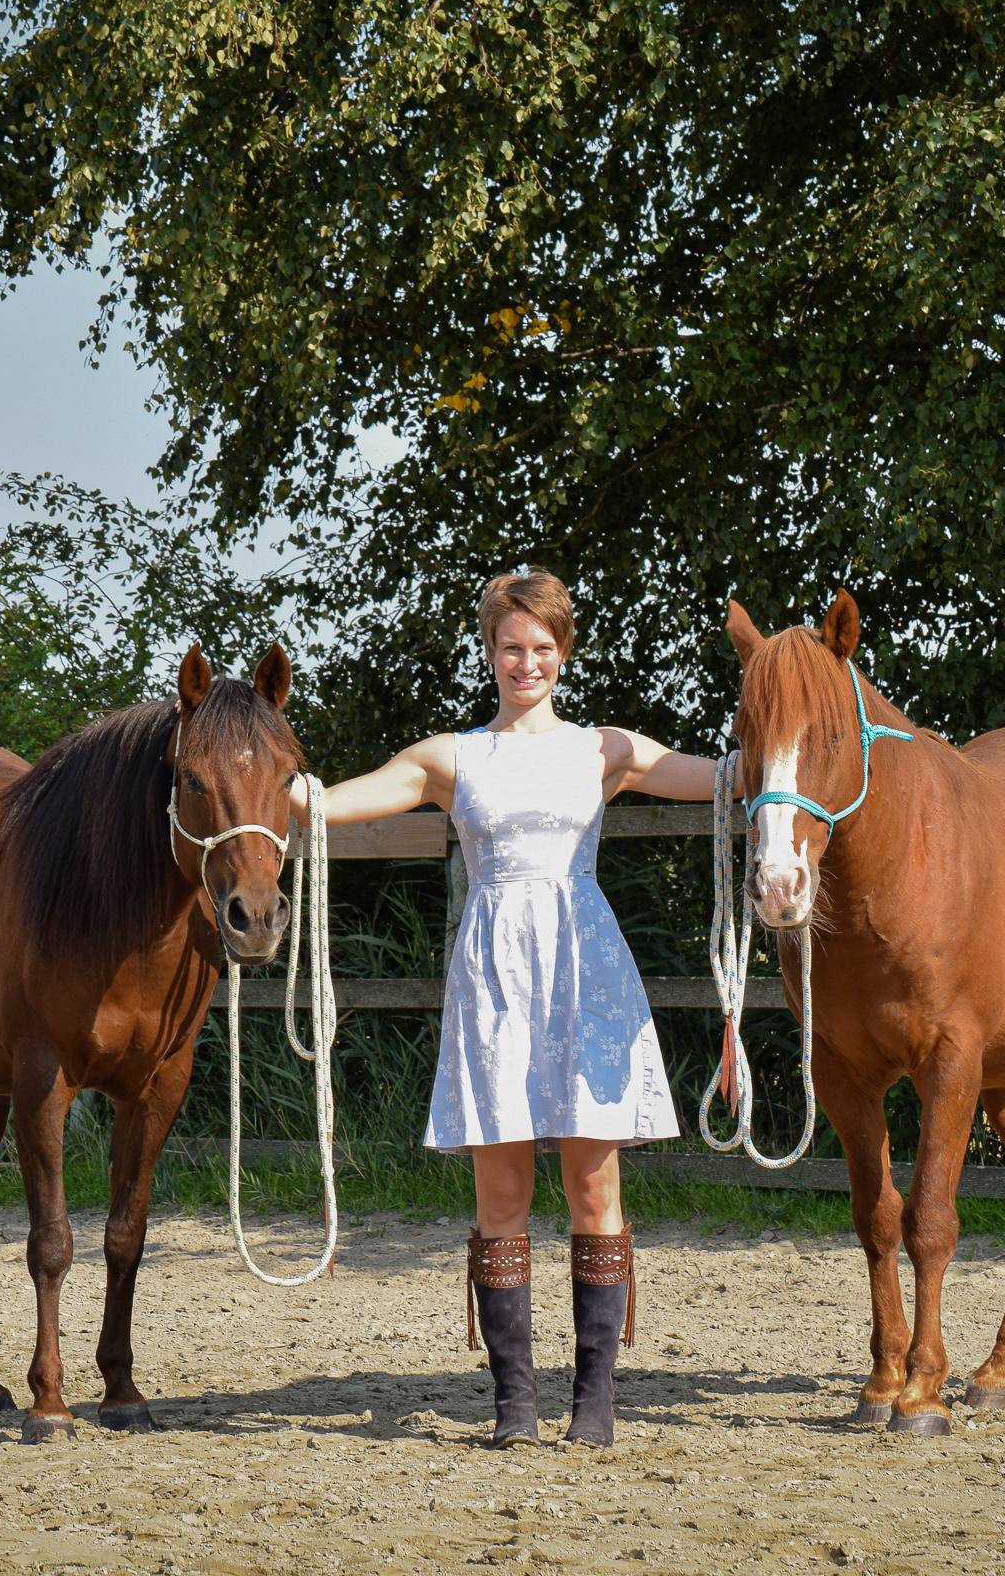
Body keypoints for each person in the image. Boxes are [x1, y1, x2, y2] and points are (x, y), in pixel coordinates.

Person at [296, 570, 716, 1448]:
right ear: (491, 654)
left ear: (564, 654)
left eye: (544, 648)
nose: (529, 663)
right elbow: (336, 802)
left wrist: (806, 742)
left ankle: (595, 1402)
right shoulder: (452, 756)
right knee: (503, 1193)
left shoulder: (607, 749)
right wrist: (279, 789)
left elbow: (728, 778)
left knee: (595, 1183)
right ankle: (514, 1404)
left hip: (585, 971)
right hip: (493, 981)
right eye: (513, 648)